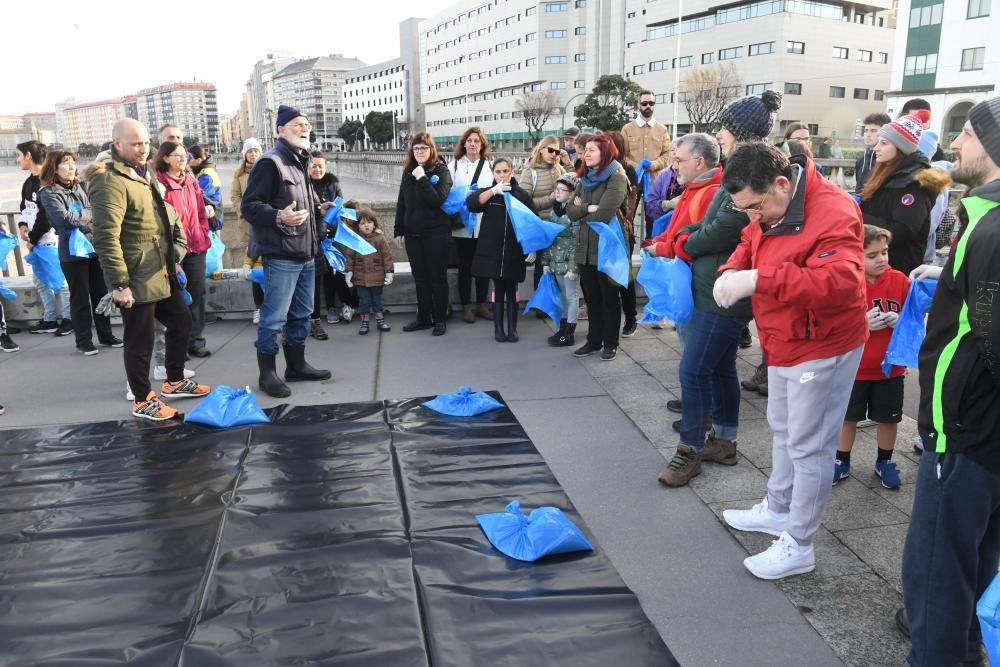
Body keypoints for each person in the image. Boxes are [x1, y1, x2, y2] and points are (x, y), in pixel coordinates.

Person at [716, 142, 868, 579]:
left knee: (810, 445)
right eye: (744, 207)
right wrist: (734, 268)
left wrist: (758, 278)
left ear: (782, 183)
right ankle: (778, 508)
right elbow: (751, 239)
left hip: (822, 343)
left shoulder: (834, 210)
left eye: (757, 205)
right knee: (783, 429)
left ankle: (799, 543)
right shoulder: (771, 207)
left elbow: (839, 282)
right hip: (785, 336)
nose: (752, 216)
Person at [900, 97, 1000, 667]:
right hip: (983, 432)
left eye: (965, 134)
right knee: (974, 553)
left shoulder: (992, 230)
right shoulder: (983, 221)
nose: (954, 146)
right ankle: (964, 651)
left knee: (936, 569)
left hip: (964, 429)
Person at [90, 119, 210, 421]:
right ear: (117, 144)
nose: (143, 149)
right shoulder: (110, 181)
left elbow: (166, 215)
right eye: (135, 144)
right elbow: (106, 237)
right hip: (136, 276)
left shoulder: (144, 175)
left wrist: (176, 251)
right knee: (139, 340)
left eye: (145, 143)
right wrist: (119, 284)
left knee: (182, 322)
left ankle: (174, 380)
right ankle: (142, 399)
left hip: (161, 271)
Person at [241, 104, 332, 398]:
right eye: (296, 125)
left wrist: (319, 208)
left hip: (305, 252)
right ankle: (267, 372)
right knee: (273, 315)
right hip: (281, 253)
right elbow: (249, 206)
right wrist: (280, 216)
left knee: (302, 313)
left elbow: (298, 200)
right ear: (281, 130)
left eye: (306, 125)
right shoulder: (271, 162)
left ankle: (296, 365)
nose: (303, 129)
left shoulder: (300, 160)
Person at [641, 131, 725, 428]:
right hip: (690, 280)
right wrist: (659, 241)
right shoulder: (697, 189)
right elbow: (679, 230)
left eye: (678, 160)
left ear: (700, 162)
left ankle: (702, 413)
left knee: (698, 358)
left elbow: (691, 241)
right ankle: (696, 402)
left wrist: (661, 246)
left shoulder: (710, 193)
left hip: (698, 283)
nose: (673, 166)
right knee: (691, 349)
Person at [832, 224, 908, 490]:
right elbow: (833, 324)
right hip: (855, 367)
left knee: (889, 418)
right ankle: (841, 460)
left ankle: (884, 461)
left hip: (890, 368)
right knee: (847, 416)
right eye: (873, 255)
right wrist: (860, 323)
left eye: (885, 252)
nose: (882, 259)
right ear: (855, 255)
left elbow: (915, 319)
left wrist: (900, 321)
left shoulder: (900, 280)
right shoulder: (848, 282)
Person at [38, 149, 121, 355]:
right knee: (80, 297)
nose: (71, 167)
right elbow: (63, 219)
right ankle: (83, 340)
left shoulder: (82, 185)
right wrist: (88, 214)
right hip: (72, 252)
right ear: (54, 168)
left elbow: (98, 210)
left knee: (101, 294)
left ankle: (106, 335)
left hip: (93, 247)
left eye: (72, 162)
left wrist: (82, 215)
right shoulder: (48, 192)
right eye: (65, 163)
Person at [859, 110, 951, 277]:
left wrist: (858, 215)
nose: (876, 148)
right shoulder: (886, 171)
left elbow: (902, 231)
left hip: (897, 267)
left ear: (901, 147)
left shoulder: (916, 183)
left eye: (884, 143)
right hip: (875, 262)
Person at [567, 133, 630, 361]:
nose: (586, 154)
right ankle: (594, 340)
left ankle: (610, 343)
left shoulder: (617, 177)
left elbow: (604, 214)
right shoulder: (585, 177)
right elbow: (569, 212)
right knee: (591, 297)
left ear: (605, 153)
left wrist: (583, 208)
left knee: (609, 297)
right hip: (585, 245)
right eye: (586, 150)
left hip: (606, 246)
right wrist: (588, 208)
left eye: (592, 150)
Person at [153, 142, 212, 358]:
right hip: (173, 250)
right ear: (166, 158)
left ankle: (195, 341)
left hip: (196, 245)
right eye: (176, 155)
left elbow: (200, 210)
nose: (182, 159)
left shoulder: (191, 180)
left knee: (197, 294)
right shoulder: (159, 183)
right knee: (174, 299)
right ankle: (176, 346)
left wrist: (203, 230)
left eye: (184, 155)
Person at [468, 158, 535, 343]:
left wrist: (532, 248)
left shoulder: (521, 195)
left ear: (512, 172)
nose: (502, 175)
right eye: (498, 171)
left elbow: (532, 220)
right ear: (493, 173)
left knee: (512, 291)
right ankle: (499, 329)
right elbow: (472, 203)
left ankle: (513, 329)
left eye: (505, 171)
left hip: (514, 251)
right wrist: (493, 190)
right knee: (498, 290)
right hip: (494, 252)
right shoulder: (490, 194)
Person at [393, 132, 453, 336]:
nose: (419, 151)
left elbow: (437, 200)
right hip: (413, 233)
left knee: (437, 277)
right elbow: (402, 202)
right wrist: (398, 229)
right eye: (416, 148)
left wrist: (422, 178)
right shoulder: (408, 171)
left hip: (436, 233)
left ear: (431, 150)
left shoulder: (442, 170)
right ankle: (423, 318)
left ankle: (440, 319)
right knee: (420, 277)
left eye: (424, 148)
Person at [17, 140, 73, 336]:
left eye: (19, 155)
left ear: (29, 156)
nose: (18, 160)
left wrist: (33, 238)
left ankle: (68, 319)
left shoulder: (46, 182)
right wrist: (22, 225)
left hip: (49, 241)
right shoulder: (28, 182)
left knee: (61, 282)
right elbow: (25, 208)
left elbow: (47, 216)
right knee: (41, 282)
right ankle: (50, 319)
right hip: (35, 243)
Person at [449, 127, 494, 323]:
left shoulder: (490, 166)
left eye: (477, 141)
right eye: (470, 140)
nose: (473, 144)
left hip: (484, 223)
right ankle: (466, 305)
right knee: (465, 266)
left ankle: (482, 304)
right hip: (463, 225)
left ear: (482, 144)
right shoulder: (454, 166)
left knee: (483, 265)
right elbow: (448, 195)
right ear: (464, 143)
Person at [605, 130, 640, 337]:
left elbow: (632, 202)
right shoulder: (598, 169)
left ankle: (631, 317)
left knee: (624, 277)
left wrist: (625, 221)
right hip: (602, 231)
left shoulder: (627, 170)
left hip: (623, 231)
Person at [541, 173, 581, 347]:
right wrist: (545, 262)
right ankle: (563, 327)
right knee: (563, 297)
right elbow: (550, 238)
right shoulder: (554, 211)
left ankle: (569, 331)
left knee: (571, 296)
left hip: (568, 260)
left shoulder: (574, 213)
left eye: (561, 190)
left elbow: (577, 240)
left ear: (571, 193)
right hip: (556, 260)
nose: (557, 193)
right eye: (556, 189)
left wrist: (574, 267)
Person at [308, 150, 343, 340]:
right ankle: (313, 318)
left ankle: (331, 307)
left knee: (330, 273)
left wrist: (330, 228)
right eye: (313, 165)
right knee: (313, 279)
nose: (317, 169)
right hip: (311, 238)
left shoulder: (333, 183)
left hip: (330, 236)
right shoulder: (304, 185)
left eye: (320, 165)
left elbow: (339, 207)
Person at [344, 208, 394, 335]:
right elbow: (349, 257)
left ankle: (380, 320)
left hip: (377, 277)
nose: (366, 225)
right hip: (360, 278)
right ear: (358, 226)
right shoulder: (355, 240)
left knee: (377, 300)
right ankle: (364, 322)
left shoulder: (379, 239)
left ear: (374, 223)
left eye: (369, 222)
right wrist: (349, 272)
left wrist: (389, 271)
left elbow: (387, 256)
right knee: (364, 301)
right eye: (362, 223)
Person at [232, 138, 263, 324]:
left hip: (266, 224)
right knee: (253, 268)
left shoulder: (268, 169)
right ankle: (259, 307)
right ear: (245, 155)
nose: (253, 154)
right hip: (249, 225)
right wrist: (242, 209)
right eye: (249, 152)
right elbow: (235, 195)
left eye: (256, 151)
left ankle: (272, 307)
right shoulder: (240, 174)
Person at [644, 139, 684, 221]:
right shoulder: (662, 175)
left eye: (678, 149)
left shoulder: (692, 174)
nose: (675, 152)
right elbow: (650, 205)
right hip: (665, 223)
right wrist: (667, 205)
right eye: (672, 150)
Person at [188, 145, 223, 232]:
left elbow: (200, 196)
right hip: (213, 215)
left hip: (211, 218)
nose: (187, 161)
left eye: (189, 158)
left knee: (211, 244)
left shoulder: (206, 174)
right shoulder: (204, 170)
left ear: (198, 160)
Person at [854, 112, 891, 193]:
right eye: (866, 130)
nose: (868, 134)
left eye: (873, 131)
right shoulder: (860, 160)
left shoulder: (889, 160)